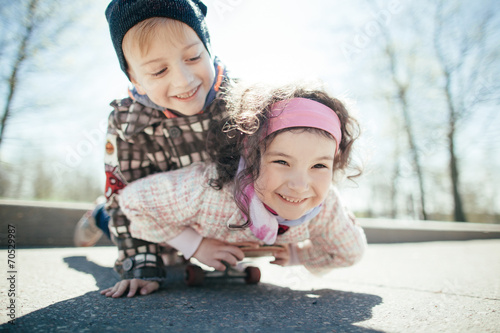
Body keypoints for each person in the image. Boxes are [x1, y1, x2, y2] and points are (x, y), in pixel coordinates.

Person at [101, 82, 367, 298]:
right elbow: (132, 202)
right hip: (172, 216)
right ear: (251, 157)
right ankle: (97, 216)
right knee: (113, 220)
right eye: (282, 161)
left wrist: (300, 254)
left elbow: (349, 251)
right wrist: (195, 245)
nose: (300, 185)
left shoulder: (325, 206)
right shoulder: (208, 189)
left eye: (319, 165)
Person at [74, 0, 236, 287]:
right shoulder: (129, 125)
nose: (184, 81)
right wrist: (141, 266)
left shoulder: (240, 103)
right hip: (151, 214)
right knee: (125, 219)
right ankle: (97, 216)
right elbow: (123, 197)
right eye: (159, 71)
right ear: (135, 79)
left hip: (208, 210)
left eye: (194, 58)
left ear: (208, 49)